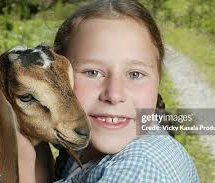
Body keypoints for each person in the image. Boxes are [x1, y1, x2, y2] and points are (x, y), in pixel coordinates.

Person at [17, 0, 200, 182]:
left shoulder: (141, 167)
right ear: (60, 80)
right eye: (93, 73)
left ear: (158, 80)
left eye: (135, 74)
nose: (113, 95)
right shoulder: (83, 142)